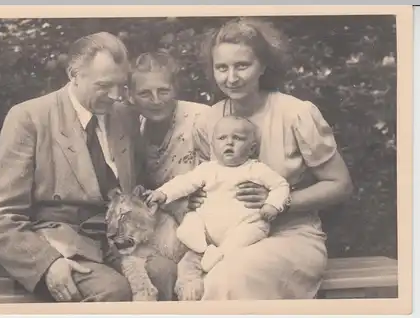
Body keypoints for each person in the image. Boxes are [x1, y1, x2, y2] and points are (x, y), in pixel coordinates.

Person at [0, 32, 177, 302]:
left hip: (119, 243)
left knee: (165, 273)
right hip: (58, 244)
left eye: (122, 85)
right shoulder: (30, 118)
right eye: (105, 85)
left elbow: (140, 189)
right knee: (113, 291)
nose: (116, 95)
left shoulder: (124, 117)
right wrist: (47, 263)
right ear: (74, 74)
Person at [188, 17, 353, 300]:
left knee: (229, 275)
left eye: (242, 65)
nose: (231, 77)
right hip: (225, 237)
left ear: (263, 66)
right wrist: (196, 198)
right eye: (222, 68)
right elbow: (203, 180)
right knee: (187, 277)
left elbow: (340, 185)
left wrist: (279, 202)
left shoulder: (295, 113)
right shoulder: (208, 120)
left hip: (290, 236)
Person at [146, 116, 290, 289]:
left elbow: (280, 185)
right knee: (189, 224)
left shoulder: (256, 169)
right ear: (213, 146)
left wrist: (272, 204)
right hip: (209, 228)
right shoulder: (207, 169)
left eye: (237, 138)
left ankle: (219, 254)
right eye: (222, 138)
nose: (229, 143)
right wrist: (163, 193)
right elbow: (184, 182)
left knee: (250, 233)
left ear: (251, 148)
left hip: (243, 224)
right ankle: (204, 248)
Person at [126, 50, 210, 224]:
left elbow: (229, 170)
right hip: (164, 221)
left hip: (206, 218)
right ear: (130, 96)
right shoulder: (135, 129)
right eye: (145, 93)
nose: (156, 101)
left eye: (163, 91)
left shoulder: (201, 118)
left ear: (175, 89)